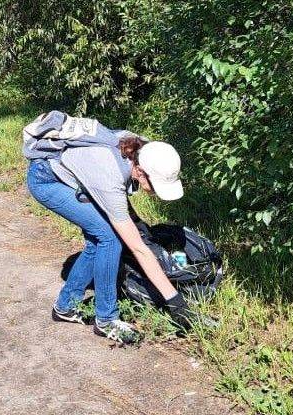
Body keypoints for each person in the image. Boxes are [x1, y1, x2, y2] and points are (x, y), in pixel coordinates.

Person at [24, 111, 199, 344]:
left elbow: (124, 207)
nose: (156, 193)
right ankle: (106, 319)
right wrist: (176, 302)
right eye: (155, 186)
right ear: (140, 171)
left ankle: (65, 307)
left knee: (99, 239)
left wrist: (138, 224)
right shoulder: (110, 173)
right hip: (47, 180)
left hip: (76, 175)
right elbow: (138, 249)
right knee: (109, 238)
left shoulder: (139, 147)